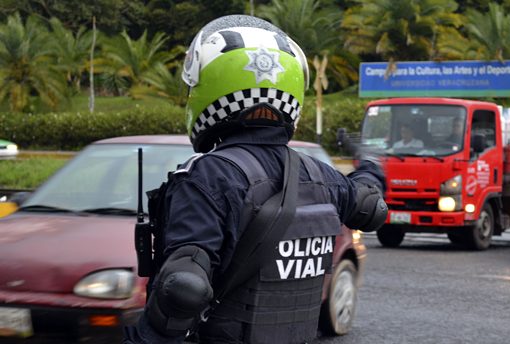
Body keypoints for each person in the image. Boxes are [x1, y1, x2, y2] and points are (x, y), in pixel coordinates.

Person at [123, 15, 387, 344]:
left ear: (213, 90)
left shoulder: (208, 177)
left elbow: (184, 289)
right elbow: (371, 207)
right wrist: (371, 163)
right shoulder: (322, 177)